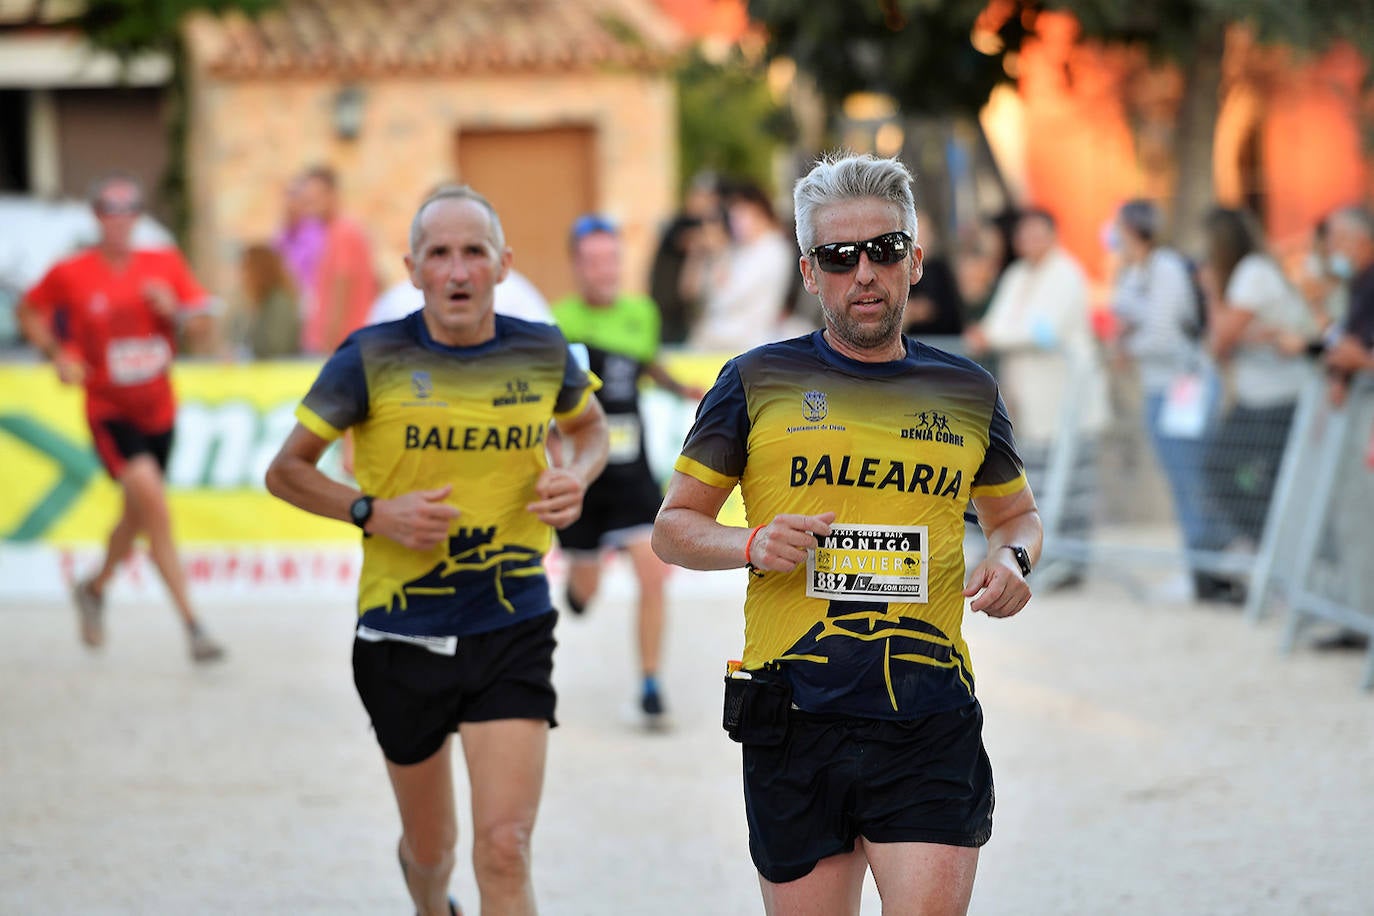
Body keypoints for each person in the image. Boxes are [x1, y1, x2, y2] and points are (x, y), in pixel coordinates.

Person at [652, 153, 1042, 915]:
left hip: (928, 710)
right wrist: (751, 542)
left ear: (915, 260)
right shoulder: (754, 380)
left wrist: (1013, 558)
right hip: (794, 713)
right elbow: (674, 528)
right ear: (808, 271)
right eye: (839, 256)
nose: (864, 272)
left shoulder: (966, 390)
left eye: (884, 250)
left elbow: (1016, 517)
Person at [264, 185, 608, 916]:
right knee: (433, 850)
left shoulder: (542, 350)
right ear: (413, 269)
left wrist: (574, 479)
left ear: (503, 264)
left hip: (512, 620)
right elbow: (285, 471)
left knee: (505, 847)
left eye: (473, 253)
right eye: (440, 255)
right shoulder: (370, 356)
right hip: (401, 632)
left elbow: (591, 431)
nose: (458, 270)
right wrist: (372, 511)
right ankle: (429, 904)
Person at [16, 175, 226, 663]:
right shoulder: (72, 272)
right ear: (97, 216)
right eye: (109, 210)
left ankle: (94, 585)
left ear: (137, 217)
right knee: (152, 501)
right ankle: (194, 625)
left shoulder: (163, 263)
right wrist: (56, 354)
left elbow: (202, 325)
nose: (119, 219)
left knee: (137, 513)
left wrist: (175, 311)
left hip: (159, 410)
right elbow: (30, 310)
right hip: (109, 410)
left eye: (128, 209)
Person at [550, 213, 702, 728]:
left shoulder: (641, 313)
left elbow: (645, 365)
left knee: (654, 574)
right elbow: (549, 402)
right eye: (593, 261)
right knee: (587, 592)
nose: (604, 269)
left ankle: (651, 684)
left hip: (632, 473)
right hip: (584, 474)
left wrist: (681, 388)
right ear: (577, 266)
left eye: (611, 258)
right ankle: (577, 588)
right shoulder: (558, 322)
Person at [963, 207, 1107, 586]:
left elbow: (1043, 330)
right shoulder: (1016, 274)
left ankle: (1070, 566)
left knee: (1071, 486)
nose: (1027, 242)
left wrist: (992, 336)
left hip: (1066, 400)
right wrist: (993, 333)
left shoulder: (1067, 274)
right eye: (1022, 235)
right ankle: (1042, 559)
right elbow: (998, 324)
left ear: (1052, 234)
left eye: (1035, 233)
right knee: (1034, 484)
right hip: (1028, 401)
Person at [1106, 199, 1228, 601]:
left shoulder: (1167, 269)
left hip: (1185, 385)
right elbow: (1123, 321)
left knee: (1192, 479)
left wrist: (1127, 346)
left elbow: (1161, 335)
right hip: (1158, 387)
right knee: (1179, 481)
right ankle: (1200, 569)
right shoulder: (1132, 273)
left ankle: (1208, 571)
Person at [1196, 207, 1316, 570]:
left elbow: (1218, 342)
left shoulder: (1251, 273)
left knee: (1223, 470)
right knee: (1258, 477)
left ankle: (1275, 549)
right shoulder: (1257, 273)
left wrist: (1211, 291)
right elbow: (1225, 349)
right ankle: (1278, 552)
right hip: (1263, 398)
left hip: (1275, 400)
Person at [1313, 206, 1374, 651]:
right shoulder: (1358, 284)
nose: (1330, 249)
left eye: (1336, 238)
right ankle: (1357, 616)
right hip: (1358, 408)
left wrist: (1358, 363)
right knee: (1352, 520)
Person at [686, 179, 795, 353]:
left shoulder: (773, 248)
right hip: (723, 338)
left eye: (740, 215)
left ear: (758, 211)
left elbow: (730, 295)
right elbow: (701, 292)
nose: (735, 222)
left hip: (749, 341)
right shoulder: (740, 249)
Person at [297, 165, 379, 355]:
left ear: (332, 194)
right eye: (307, 199)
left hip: (340, 345)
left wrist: (329, 346)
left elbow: (341, 292)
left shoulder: (343, 233)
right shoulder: (332, 233)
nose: (309, 204)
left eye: (315, 197)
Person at [225, 242, 301, 359]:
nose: (243, 276)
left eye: (247, 269)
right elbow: (233, 338)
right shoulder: (255, 300)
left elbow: (276, 347)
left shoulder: (279, 302)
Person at [273, 174, 327, 310]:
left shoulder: (315, 235)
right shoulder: (280, 235)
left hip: (308, 303)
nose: (290, 203)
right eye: (288, 196)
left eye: (295, 197)